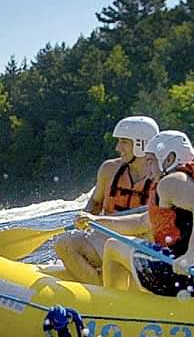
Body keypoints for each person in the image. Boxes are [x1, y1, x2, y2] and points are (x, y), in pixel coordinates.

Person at [89, 131, 194, 296]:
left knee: (113, 246)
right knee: (124, 244)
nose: (146, 168)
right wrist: (95, 220)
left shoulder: (170, 181)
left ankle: (115, 306)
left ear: (169, 159)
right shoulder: (186, 181)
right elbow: (141, 222)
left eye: (150, 161)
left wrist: (190, 256)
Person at [54, 116, 161, 284]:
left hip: (141, 241)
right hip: (105, 236)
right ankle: (98, 292)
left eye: (124, 142)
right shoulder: (109, 169)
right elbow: (95, 203)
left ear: (141, 144)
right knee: (64, 243)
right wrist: (86, 216)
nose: (118, 147)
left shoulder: (162, 177)